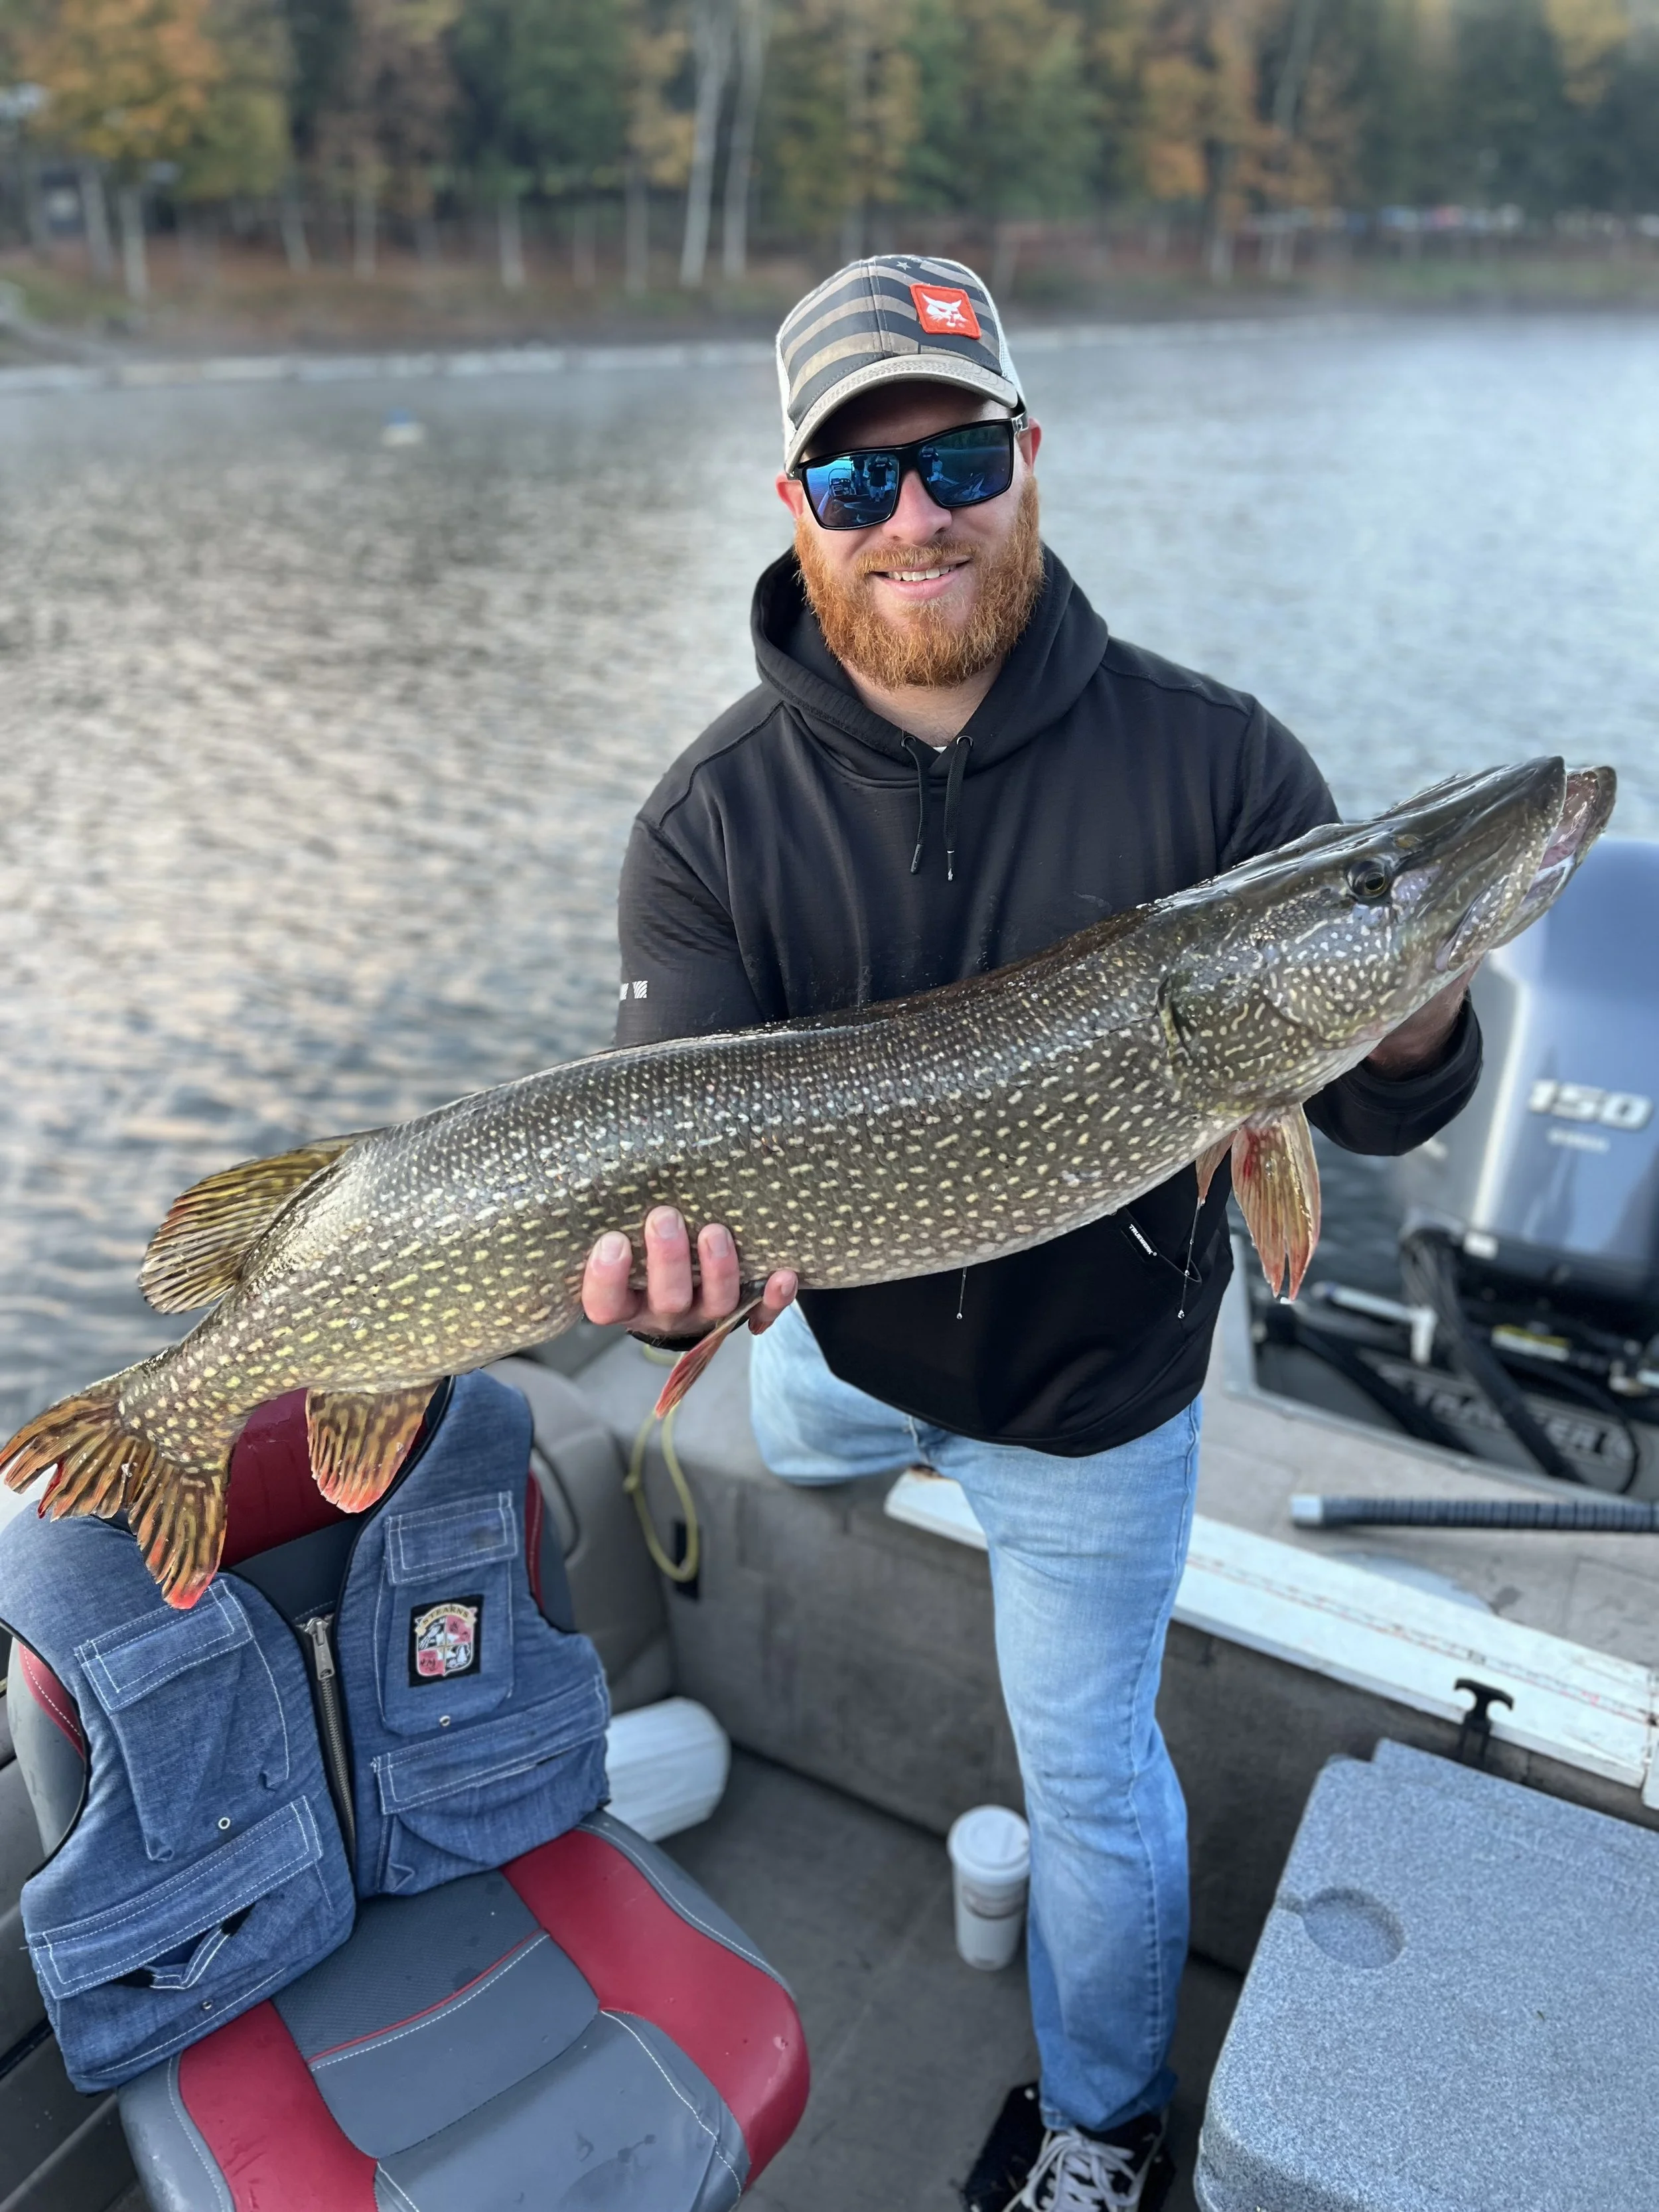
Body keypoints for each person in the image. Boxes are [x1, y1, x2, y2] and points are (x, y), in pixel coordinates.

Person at [582, 257, 1480, 2212]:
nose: (917, 514)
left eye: (958, 452)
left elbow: (1378, 1109)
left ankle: (1101, 2124)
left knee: (1087, 1779)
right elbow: (662, 1166)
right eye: (857, 480)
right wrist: (667, 1285)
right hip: (843, 1354)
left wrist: (1410, 996)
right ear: (798, 510)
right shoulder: (709, 826)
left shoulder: (1221, 767)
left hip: (1091, 1410)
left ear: (1026, 455)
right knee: (775, 1425)